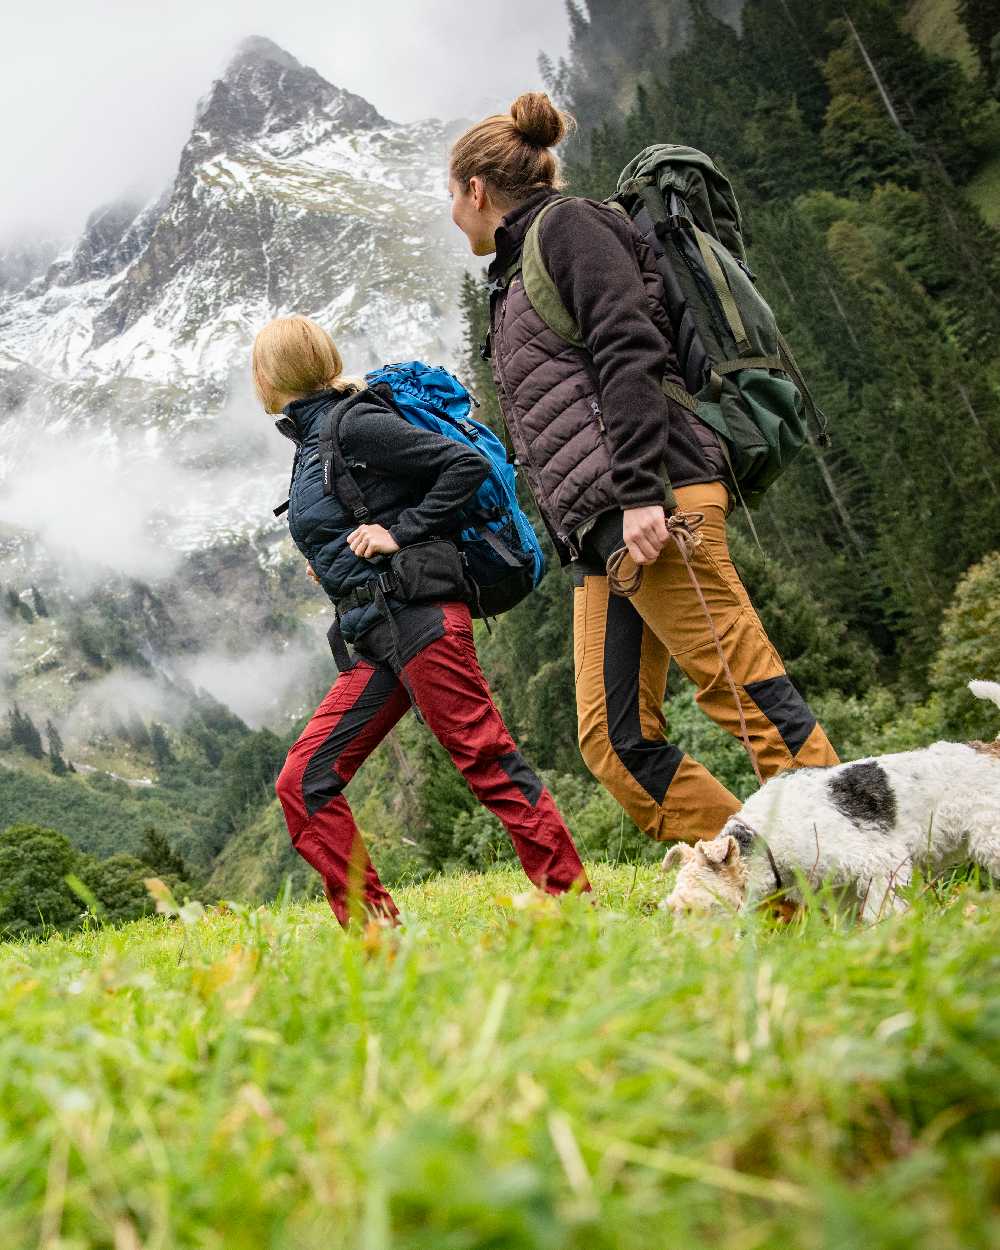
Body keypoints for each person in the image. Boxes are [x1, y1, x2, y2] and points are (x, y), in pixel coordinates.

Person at [447, 93, 839, 848]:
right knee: (613, 738)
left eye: (451, 197)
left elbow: (630, 349)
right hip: (607, 528)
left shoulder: (571, 226)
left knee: (741, 686)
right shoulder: (516, 268)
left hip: (653, 499)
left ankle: (852, 858)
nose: (453, 214)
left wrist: (637, 495)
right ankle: (756, 868)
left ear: (475, 189)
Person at [253, 315, 589, 926]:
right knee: (304, 782)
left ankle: (572, 904)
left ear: (268, 376)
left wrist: (396, 533)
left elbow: (465, 466)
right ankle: (376, 935)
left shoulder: (352, 424)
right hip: (375, 632)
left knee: (485, 759)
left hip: (420, 619)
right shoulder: (313, 441)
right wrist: (337, 560)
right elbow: (357, 512)